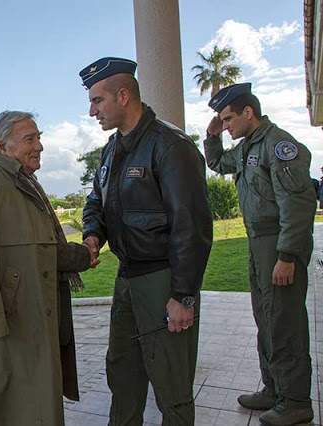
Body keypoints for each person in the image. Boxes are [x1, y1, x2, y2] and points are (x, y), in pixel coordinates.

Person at [79, 57, 213, 425]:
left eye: (97, 100)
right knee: (123, 375)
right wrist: (93, 236)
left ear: (123, 95)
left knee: (171, 385)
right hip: (127, 279)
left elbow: (192, 226)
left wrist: (183, 296)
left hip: (163, 279)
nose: (91, 111)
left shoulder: (170, 146)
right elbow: (97, 201)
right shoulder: (112, 150)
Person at [0, 111, 96, 425]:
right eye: (29, 138)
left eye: (39, 137)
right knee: (8, 411)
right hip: (7, 333)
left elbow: (46, 250)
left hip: (34, 326)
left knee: (37, 408)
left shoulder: (26, 185)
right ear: (3, 147)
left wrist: (84, 256)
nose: (40, 146)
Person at [204, 83, 315, 425]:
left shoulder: (277, 145)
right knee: (265, 319)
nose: (226, 126)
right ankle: (274, 390)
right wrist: (212, 136)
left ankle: (296, 402)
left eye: (227, 119)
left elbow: (297, 204)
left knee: (284, 323)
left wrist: (287, 255)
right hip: (257, 243)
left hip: (277, 244)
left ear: (248, 112)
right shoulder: (246, 147)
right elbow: (216, 163)